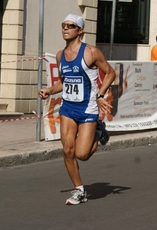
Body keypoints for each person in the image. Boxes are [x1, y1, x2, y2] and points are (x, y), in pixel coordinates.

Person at [39, 14, 116, 205]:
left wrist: (100, 94)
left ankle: (99, 130)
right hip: (68, 108)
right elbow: (64, 83)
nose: (65, 28)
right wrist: (49, 90)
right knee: (67, 150)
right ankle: (79, 190)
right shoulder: (60, 55)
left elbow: (110, 73)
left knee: (82, 154)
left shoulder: (90, 52)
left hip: (88, 109)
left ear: (80, 30)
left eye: (70, 26)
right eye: (63, 25)